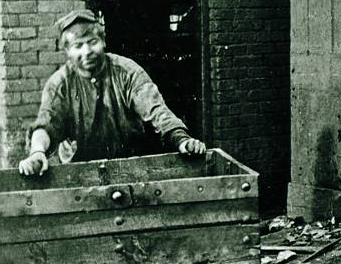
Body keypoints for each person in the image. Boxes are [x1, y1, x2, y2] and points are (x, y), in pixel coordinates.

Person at [18, 9, 206, 176]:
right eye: (78, 46)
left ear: (103, 41)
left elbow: (156, 110)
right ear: (67, 51)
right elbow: (46, 123)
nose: (87, 51)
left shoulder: (127, 72)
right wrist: (37, 152)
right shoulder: (60, 84)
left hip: (133, 169)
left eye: (92, 42)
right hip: (80, 174)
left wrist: (182, 140)